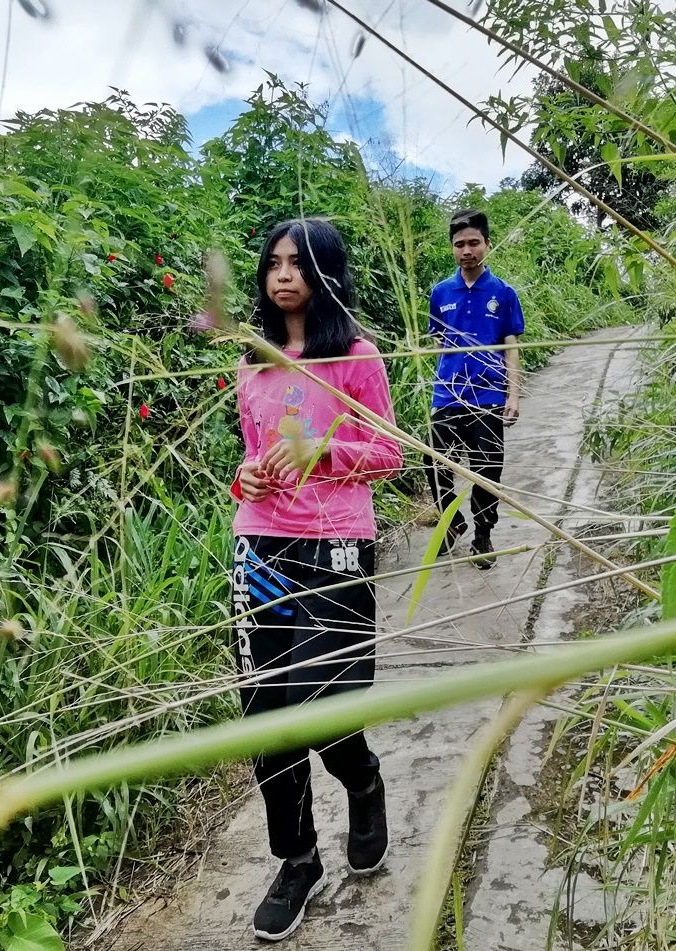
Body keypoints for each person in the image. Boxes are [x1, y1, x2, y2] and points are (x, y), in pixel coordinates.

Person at [229, 218, 402, 942]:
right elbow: (249, 456)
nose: (283, 275)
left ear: (326, 271)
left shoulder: (356, 357)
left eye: (298, 264)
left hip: (335, 546)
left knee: (322, 705)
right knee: (267, 714)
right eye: (273, 264)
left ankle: (362, 780)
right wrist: (245, 475)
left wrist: (322, 454)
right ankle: (298, 858)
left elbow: (391, 452)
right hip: (260, 548)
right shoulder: (252, 363)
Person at [426, 208, 524, 569]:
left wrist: (513, 394)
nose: (466, 250)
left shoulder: (503, 293)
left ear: (487, 244)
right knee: (433, 461)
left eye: (473, 243)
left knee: (488, 468)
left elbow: (510, 345)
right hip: (447, 395)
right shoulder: (440, 292)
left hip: (488, 396)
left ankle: (483, 534)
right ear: (452, 249)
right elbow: (439, 341)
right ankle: (452, 524)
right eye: (459, 244)